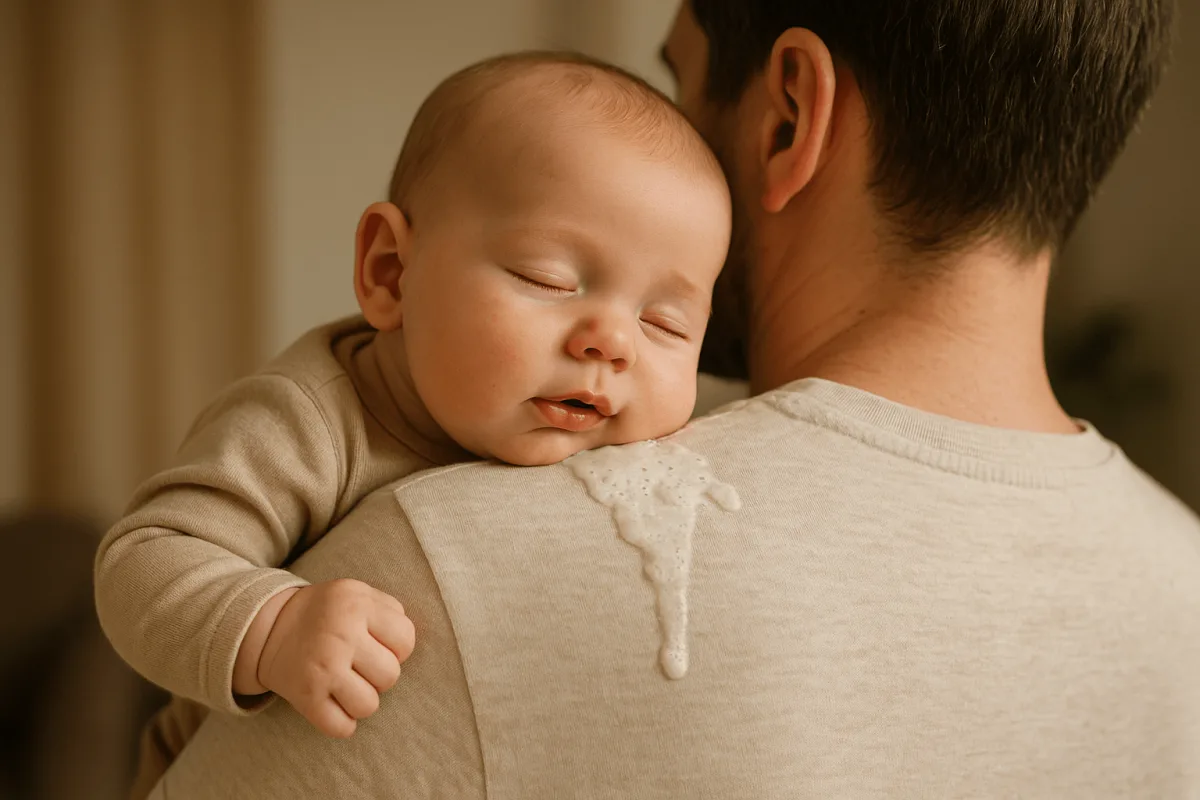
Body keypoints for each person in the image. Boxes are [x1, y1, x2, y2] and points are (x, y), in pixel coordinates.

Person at [150, 0, 1200, 798]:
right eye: (555, 278)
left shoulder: (440, 570)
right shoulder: (1184, 584)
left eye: (683, 87)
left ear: (791, 112)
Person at [93, 52, 731, 798]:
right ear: (391, 271)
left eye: (664, 324)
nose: (612, 343)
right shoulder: (312, 421)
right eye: (548, 281)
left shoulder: (647, 444)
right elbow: (143, 560)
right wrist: (275, 625)